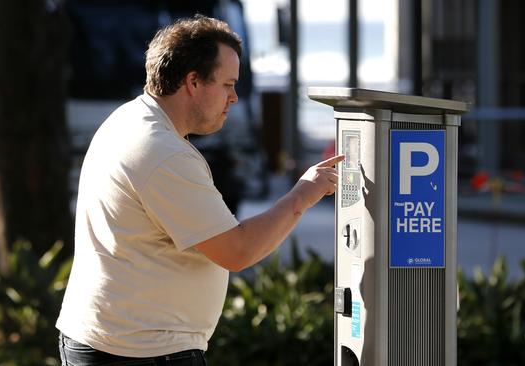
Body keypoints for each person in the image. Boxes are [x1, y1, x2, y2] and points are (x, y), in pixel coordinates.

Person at [56, 15, 343, 365]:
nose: (235, 98)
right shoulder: (161, 152)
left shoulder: (130, 119)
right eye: (227, 85)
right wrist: (303, 194)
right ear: (193, 81)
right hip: (140, 352)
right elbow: (238, 250)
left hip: (117, 342)